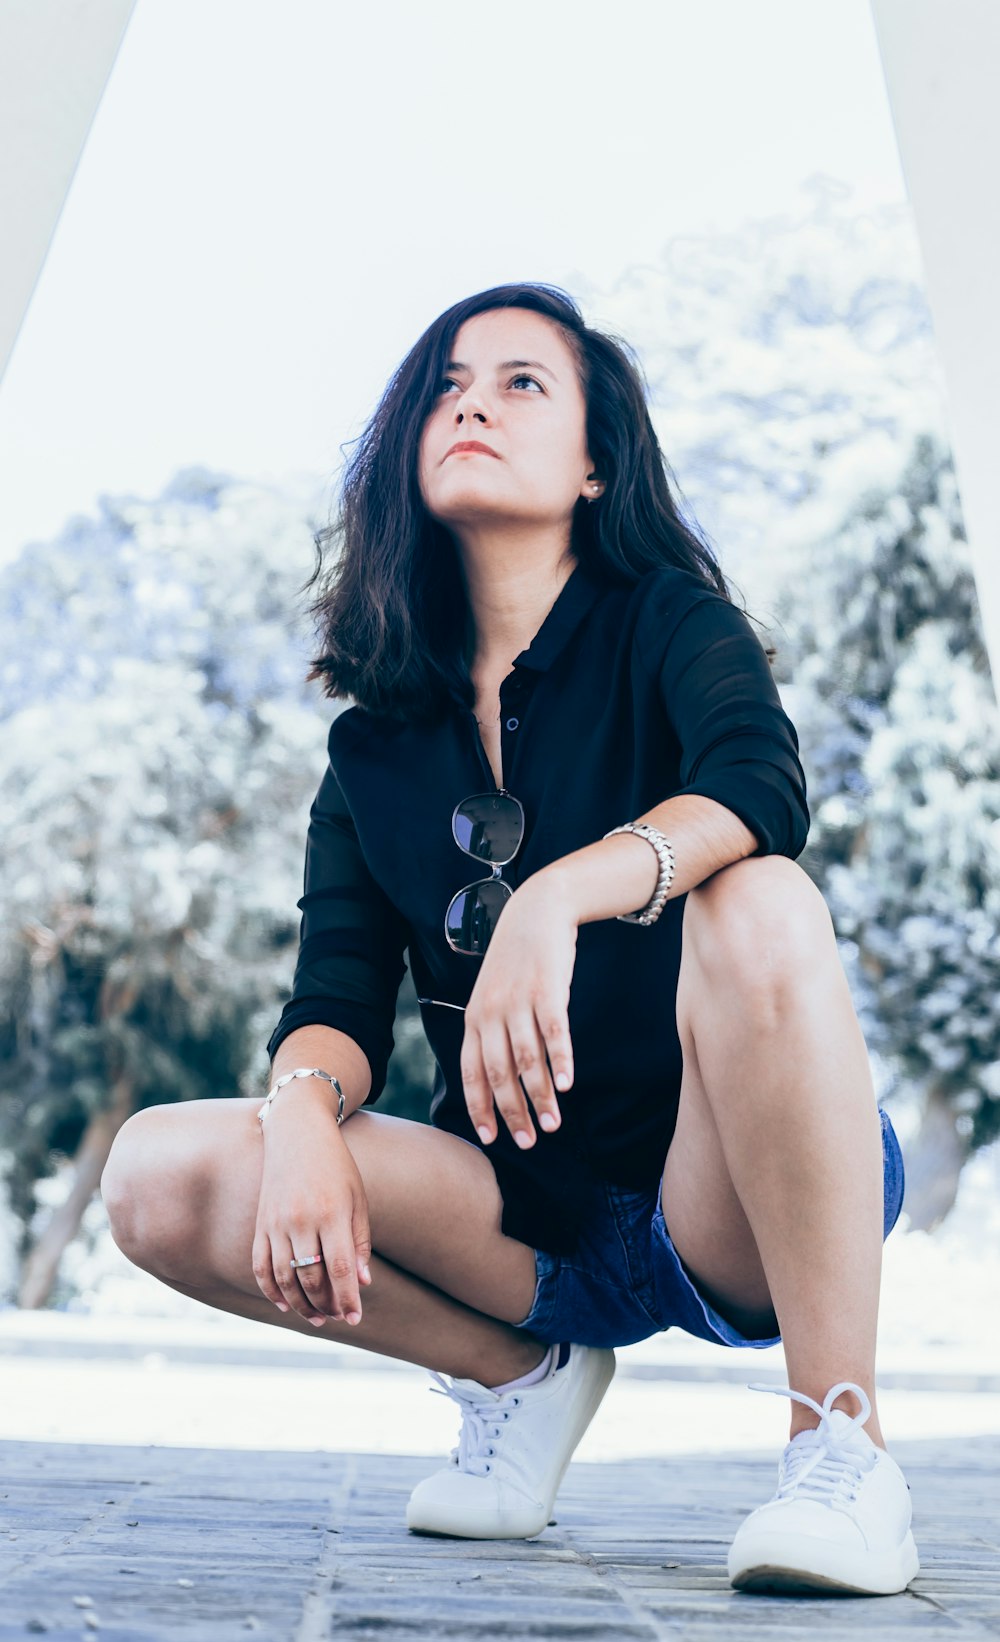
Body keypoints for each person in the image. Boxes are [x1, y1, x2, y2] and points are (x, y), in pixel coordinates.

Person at [101, 281, 919, 1596]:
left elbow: (762, 786)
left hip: (730, 1190)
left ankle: (843, 1447)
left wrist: (559, 895)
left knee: (760, 893)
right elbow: (338, 992)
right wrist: (302, 1109)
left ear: (596, 463)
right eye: (447, 383)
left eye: (522, 381)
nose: (471, 398)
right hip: (518, 1216)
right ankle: (523, 1379)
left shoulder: (666, 622)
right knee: (157, 1173)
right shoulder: (374, 741)